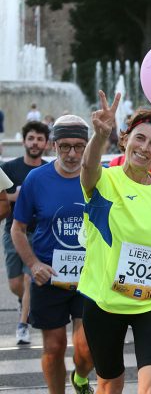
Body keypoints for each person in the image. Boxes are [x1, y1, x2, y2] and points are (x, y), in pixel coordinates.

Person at [79, 91, 151, 393]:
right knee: (110, 383)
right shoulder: (105, 180)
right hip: (105, 301)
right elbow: (87, 169)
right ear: (125, 140)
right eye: (139, 138)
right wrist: (99, 136)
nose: (145, 148)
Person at [11, 115, 94, 393]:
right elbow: (18, 229)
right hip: (50, 276)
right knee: (54, 346)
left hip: (90, 277)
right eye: (65, 146)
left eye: (79, 146)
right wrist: (33, 265)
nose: (72, 154)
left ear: (88, 146)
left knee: (87, 348)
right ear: (53, 145)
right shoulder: (37, 179)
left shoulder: (99, 178)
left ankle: (81, 377)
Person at [1, 120, 49, 345]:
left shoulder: (49, 170)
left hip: (39, 233)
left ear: (47, 143)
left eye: (40, 139)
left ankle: (23, 324)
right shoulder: (10, 168)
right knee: (15, 283)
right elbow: (4, 197)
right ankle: (24, 302)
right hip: (14, 230)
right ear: (23, 141)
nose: (35, 142)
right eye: (31, 138)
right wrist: (20, 196)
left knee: (31, 279)